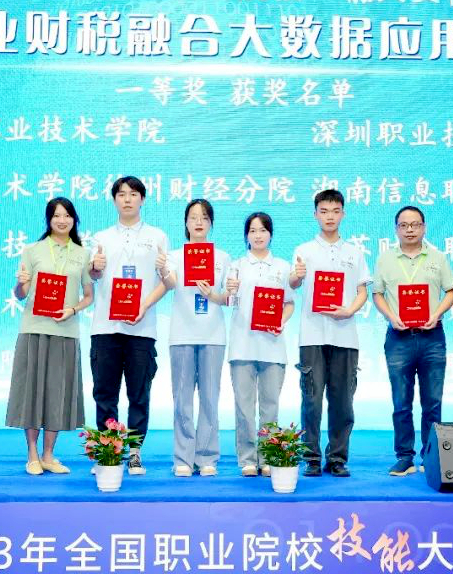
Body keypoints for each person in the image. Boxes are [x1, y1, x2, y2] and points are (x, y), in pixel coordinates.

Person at [6, 197, 94, 475]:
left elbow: (88, 296)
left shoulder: (82, 254)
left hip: (66, 332)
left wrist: (73, 309)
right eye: (56, 215)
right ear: (49, 219)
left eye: (67, 215)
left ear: (74, 219)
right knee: (32, 392)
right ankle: (32, 454)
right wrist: (20, 285)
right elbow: (20, 295)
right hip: (34, 330)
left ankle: (49, 455)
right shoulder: (32, 250)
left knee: (57, 393)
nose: (62, 220)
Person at [89, 176, 169, 475]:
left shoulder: (157, 236)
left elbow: (166, 281)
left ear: (142, 199)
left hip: (142, 328)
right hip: (106, 327)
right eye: (121, 194)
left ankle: (135, 452)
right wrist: (94, 268)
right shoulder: (101, 237)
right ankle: (108, 452)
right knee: (105, 393)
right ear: (114, 200)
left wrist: (144, 306)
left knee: (139, 393)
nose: (127, 199)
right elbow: (93, 277)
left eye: (133, 194)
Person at [289, 189, 371, 478]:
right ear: (315, 215)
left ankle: (337, 458)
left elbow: (363, 291)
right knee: (311, 400)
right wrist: (297, 275)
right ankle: (311, 458)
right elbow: (293, 284)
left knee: (343, 402)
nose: (330, 217)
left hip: (345, 336)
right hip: (312, 335)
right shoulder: (304, 250)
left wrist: (349, 310)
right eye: (324, 211)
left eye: (335, 211)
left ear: (343, 214)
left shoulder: (354, 252)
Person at [372, 206, 453, 476]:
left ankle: (431, 457)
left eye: (415, 224)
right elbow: (377, 294)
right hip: (399, 338)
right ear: (396, 229)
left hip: (432, 337)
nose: (410, 229)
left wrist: (436, 313)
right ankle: (405, 457)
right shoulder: (385, 259)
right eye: (404, 225)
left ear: (424, 227)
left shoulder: (437, 258)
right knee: (401, 403)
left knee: (432, 402)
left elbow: (452, 291)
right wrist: (391, 317)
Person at [157, 199, 231, 477]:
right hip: (182, 334)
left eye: (204, 217)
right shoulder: (175, 256)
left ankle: (207, 457)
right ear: (186, 223)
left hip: (213, 334)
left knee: (210, 398)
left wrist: (215, 294)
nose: (199, 222)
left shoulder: (222, 258)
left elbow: (228, 298)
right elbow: (171, 283)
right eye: (193, 217)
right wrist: (162, 269)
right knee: (182, 399)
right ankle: (183, 459)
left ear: (211, 223)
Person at [225, 212, 294, 477]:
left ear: (270, 234)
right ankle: (247, 459)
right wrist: (230, 290)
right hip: (242, 345)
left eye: (263, 230)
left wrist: (280, 321)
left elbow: (289, 303)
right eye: (252, 231)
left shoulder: (282, 267)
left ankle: (268, 456)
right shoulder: (236, 266)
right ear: (246, 236)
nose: (258, 235)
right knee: (244, 407)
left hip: (273, 346)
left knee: (270, 406)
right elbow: (228, 300)